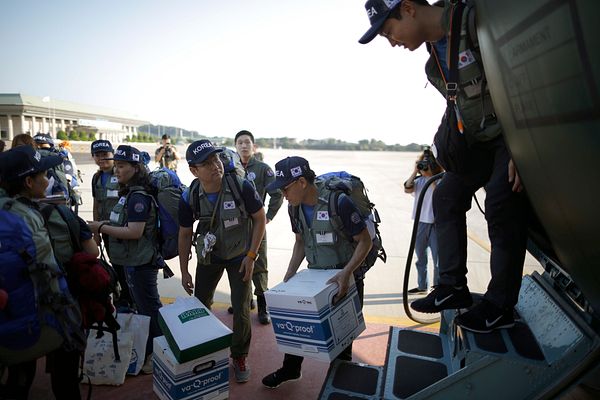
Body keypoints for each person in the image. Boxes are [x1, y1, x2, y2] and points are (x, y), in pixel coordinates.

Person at [359, 0, 528, 333]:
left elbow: (525, 77)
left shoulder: (476, 23)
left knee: (500, 200)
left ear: (408, 8)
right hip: (481, 142)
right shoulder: (434, 62)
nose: (393, 42)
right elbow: (462, 109)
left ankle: (500, 304)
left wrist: (527, 150)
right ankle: (452, 286)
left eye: (390, 31)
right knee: (446, 194)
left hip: (513, 136)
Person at [261, 156, 372, 389]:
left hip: (345, 279)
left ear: (301, 182)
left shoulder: (338, 202)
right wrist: (289, 276)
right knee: (296, 323)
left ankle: (340, 386)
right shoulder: (295, 207)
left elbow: (364, 241)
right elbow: (300, 241)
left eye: (285, 188)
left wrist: (346, 273)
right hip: (315, 277)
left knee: (342, 339)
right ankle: (291, 369)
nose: (283, 194)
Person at [0, 145, 97, 400]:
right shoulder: (44, 215)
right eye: (43, 173)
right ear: (29, 182)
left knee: (20, 374)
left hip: (12, 315)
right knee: (65, 379)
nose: (49, 177)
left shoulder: (5, 209)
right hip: (48, 314)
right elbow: (51, 273)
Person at [177, 139, 266, 383]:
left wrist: (251, 256)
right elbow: (184, 234)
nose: (215, 165)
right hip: (209, 257)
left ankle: (239, 355)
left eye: (215, 159)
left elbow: (260, 219)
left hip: (240, 256)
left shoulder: (240, 185)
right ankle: (204, 352)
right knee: (201, 305)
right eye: (206, 163)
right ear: (194, 171)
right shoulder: (190, 195)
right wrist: (184, 271)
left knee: (241, 307)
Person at [87, 145, 163, 374]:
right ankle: (150, 350)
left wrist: (100, 226)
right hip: (132, 260)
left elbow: (134, 232)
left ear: (135, 167)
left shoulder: (138, 196)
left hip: (141, 262)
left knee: (150, 308)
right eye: (117, 166)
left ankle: (157, 353)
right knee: (142, 307)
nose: (117, 170)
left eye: (121, 166)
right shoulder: (127, 192)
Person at [229, 130, 283, 324]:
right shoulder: (228, 168)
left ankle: (262, 306)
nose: (244, 145)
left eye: (247, 142)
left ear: (253, 146)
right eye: (240, 142)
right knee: (236, 262)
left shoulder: (262, 169)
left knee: (259, 265)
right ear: (235, 146)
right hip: (234, 227)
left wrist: (268, 216)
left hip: (256, 225)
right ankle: (244, 300)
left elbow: (277, 193)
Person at [90, 139, 134, 311]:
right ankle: (123, 295)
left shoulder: (121, 175)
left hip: (122, 230)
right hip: (105, 229)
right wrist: (96, 232)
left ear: (112, 155)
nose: (102, 159)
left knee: (126, 264)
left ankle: (130, 296)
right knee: (114, 262)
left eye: (105, 155)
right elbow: (96, 204)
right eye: (97, 155)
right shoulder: (96, 178)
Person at [404, 148, 443, 294]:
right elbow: (407, 188)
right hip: (420, 224)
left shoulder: (440, 180)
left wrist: (431, 175)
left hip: (435, 225)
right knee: (421, 258)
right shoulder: (418, 181)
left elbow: (438, 194)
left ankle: (437, 288)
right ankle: (422, 286)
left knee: (437, 260)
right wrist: (416, 171)